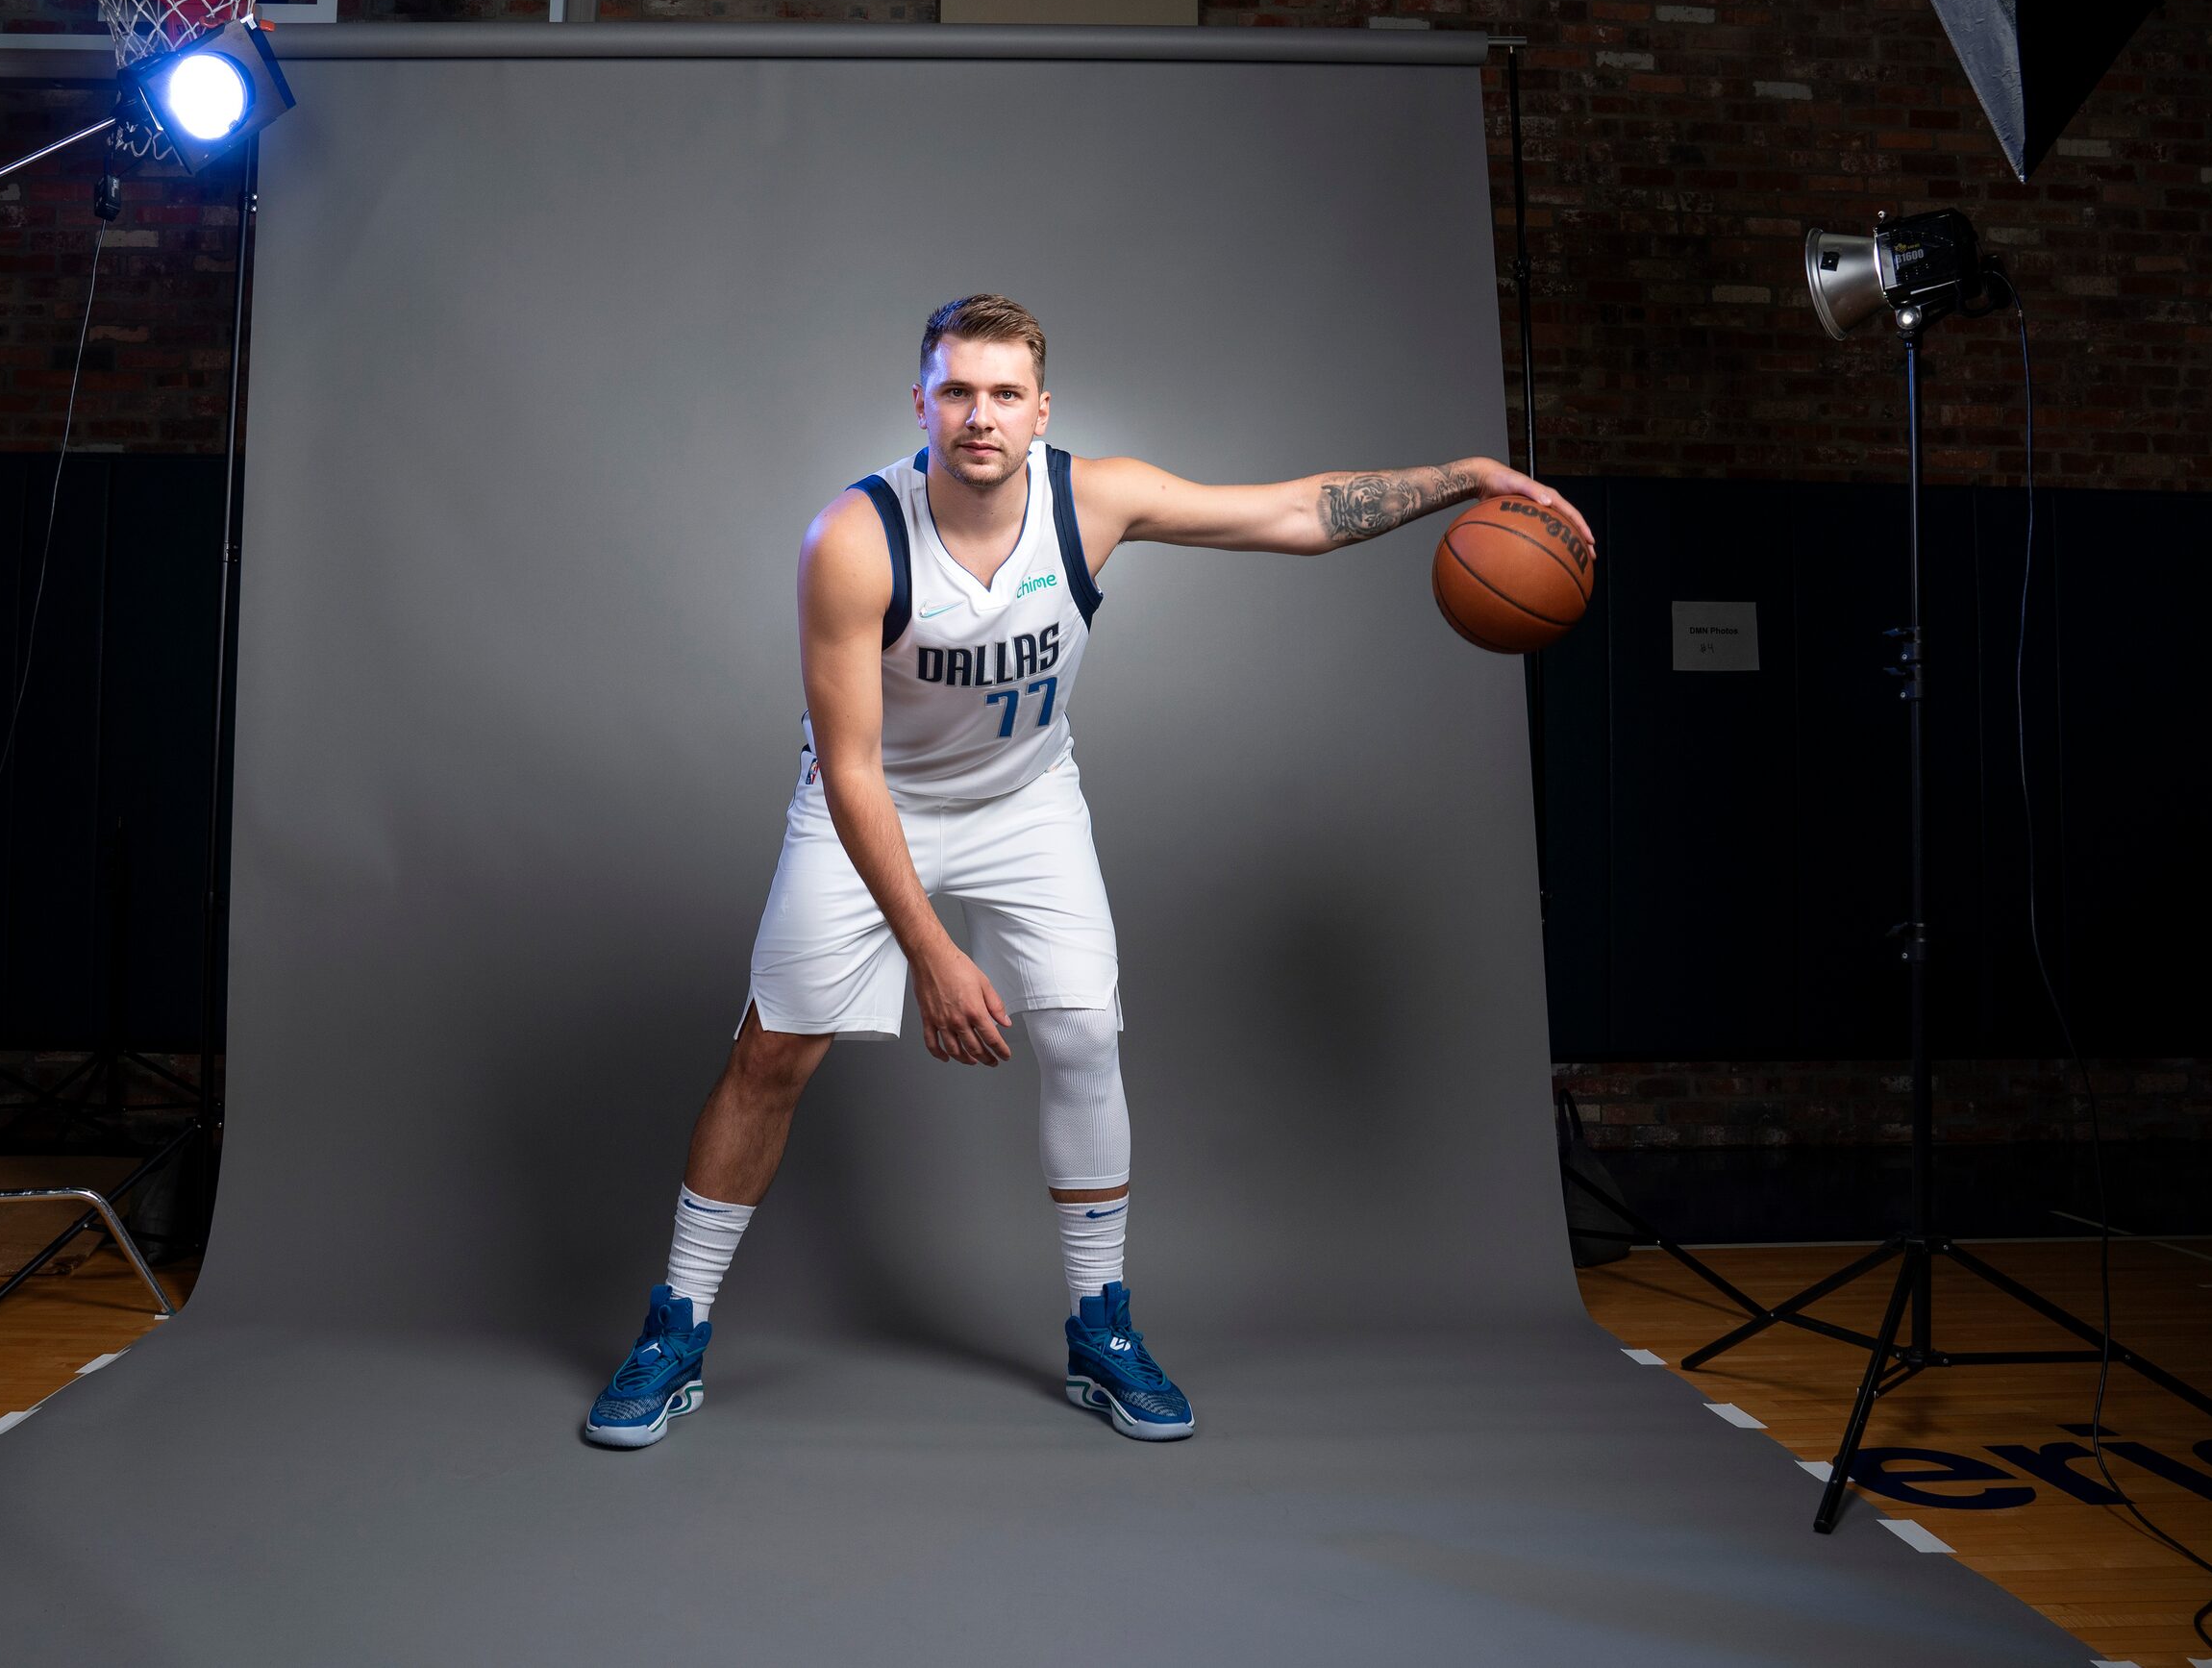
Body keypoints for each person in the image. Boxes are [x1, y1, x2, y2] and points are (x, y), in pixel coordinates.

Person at [584, 293, 1595, 1448]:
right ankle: (677, 1321)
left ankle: (1098, 1327)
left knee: (1078, 1033)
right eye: (956, 391)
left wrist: (1465, 474)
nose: (979, 416)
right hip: (871, 807)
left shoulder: (1093, 498)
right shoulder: (853, 539)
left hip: (1026, 803)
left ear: (1040, 410)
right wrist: (932, 954)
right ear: (919, 402)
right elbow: (853, 770)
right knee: (771, 1052)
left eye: (1004, 394)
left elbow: (1295, 515)